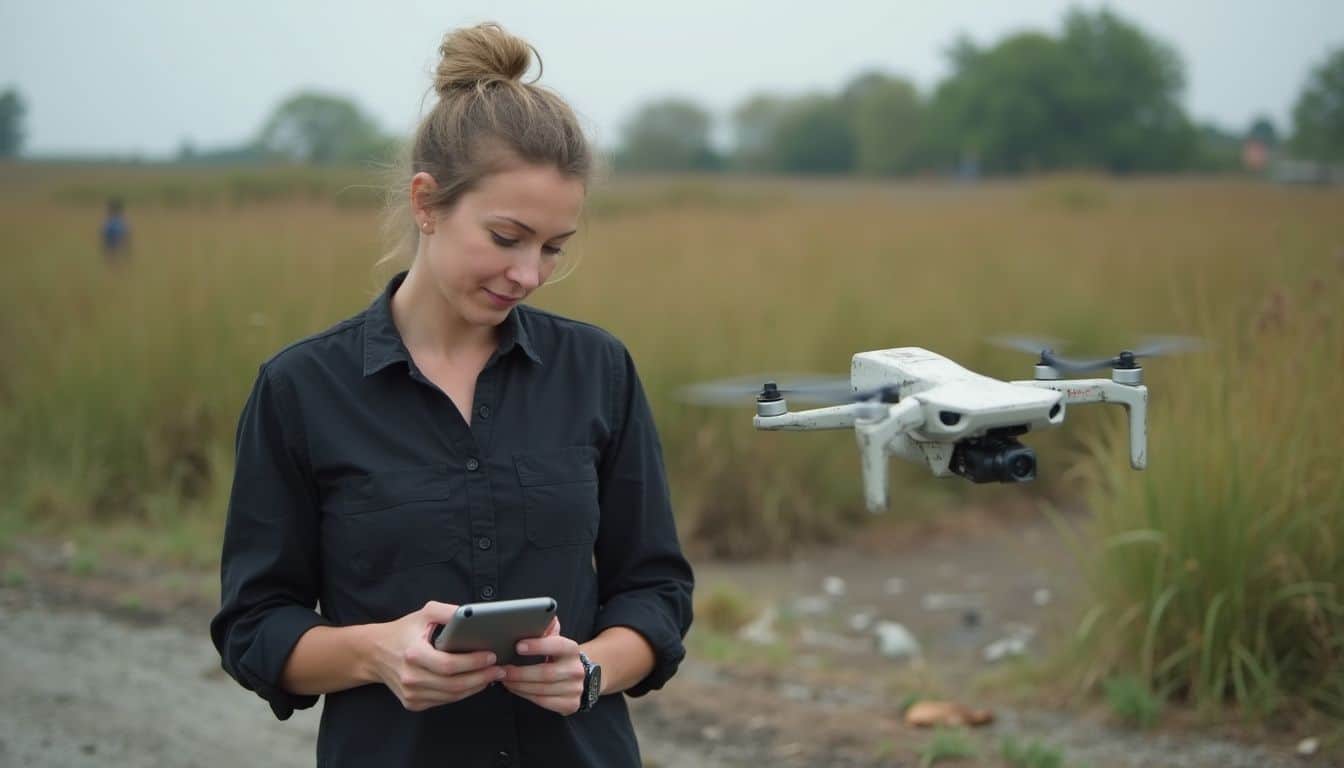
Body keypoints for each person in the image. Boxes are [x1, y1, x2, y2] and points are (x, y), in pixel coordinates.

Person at [209, 22, 694, 767]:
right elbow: (255, 627)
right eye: (507, 237)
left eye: (554, 247)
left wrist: (594, 669)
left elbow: (654, 589)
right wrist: (377, 654)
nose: (529, 273)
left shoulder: (598, 369)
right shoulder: (302, 389)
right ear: (427, 203)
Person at [101, 198, 131, 262]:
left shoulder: (112, 221)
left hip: (115, 240)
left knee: (113, 256)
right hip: (115, 240)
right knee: (114, 256)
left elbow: (105, 233)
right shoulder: (120, 221)